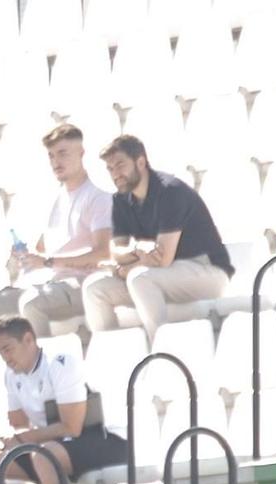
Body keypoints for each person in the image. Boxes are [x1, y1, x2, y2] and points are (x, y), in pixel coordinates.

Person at [0, 123, 114, 344]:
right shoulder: (58, 200)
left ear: (81, 153)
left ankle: (42, 370)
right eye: (51, 156)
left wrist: (48, 262)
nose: (55, 162)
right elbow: (44, 250)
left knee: (31, 303)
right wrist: (25, 255)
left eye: (62, 153)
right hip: (50, 286)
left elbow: (102, 253)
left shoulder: (98, 198)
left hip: (82, 285)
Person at [82, 133, 232, 340]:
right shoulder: (121, 199)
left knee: (139, 278)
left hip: (206, 271)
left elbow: (162, 258)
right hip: (160, 276)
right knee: (94, 288)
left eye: (120, 165)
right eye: (110, 169)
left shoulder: (170, 191)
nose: (115, 174)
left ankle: (162, 353)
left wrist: (125, 269)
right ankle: (113, 355)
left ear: (141, 162)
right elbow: (117, 251)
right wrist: (134, 252)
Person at [0, 315, 128, 484]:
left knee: (43, 456)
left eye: (8, 349)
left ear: (28, 339)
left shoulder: (60, 364)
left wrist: (22, 438)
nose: (5, 358)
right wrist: (9, 440)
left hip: (103, 439)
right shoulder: (11, 376)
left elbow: (72, 427)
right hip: (56, 446)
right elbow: (20, 425)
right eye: (0, 353)